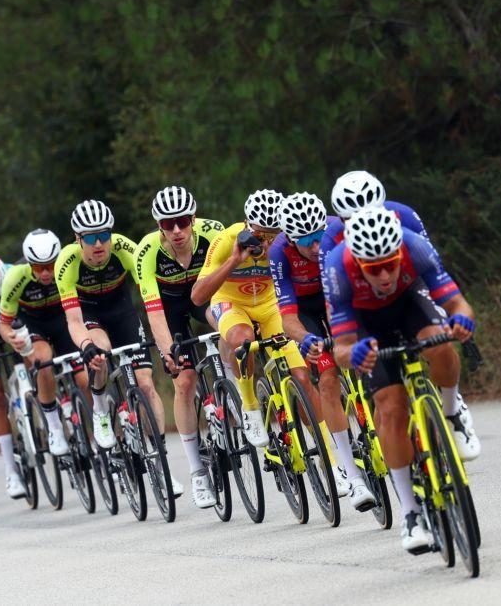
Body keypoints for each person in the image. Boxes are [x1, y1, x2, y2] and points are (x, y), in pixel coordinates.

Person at [324, 207, 480, 553]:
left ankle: (452, 412)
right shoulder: (337, 268)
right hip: (366, 325)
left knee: (440, 344)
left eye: (390, 264)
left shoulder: (414, 247)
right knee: (392, 407)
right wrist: (356, 352)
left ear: (399, 253)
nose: (383, 275)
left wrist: (463, 322)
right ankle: (410, 513)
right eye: (373, 268)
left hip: (409, 304)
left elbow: (458, 304)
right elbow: (342, 349)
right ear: (359, 263)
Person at [56, 200, 184, 496]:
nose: (99, 243)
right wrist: (86, 345)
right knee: (99, 353)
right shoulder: (67, 262)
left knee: (146, 384)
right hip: (90, 317)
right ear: (78, 240)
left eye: (104, 235)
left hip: (122, 312)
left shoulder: (127, 249)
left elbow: (152, 301)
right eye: (90, 237)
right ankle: (101, 409)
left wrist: (165, 341)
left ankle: (161, 463)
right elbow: (73, 321)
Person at [271, 192, 375, 510]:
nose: (317, 247)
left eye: (320, 237)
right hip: (304, 310)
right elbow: (287, 318)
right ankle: (349, 471)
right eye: (308, 242)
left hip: (336, 297)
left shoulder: (336, 230)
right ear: (291, 239)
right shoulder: (279, 253)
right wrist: (304, 340)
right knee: (327, 378)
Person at [190, 189, 312, 448]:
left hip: (269, 305)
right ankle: (249, 406)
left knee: (301, 377)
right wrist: (234, 260)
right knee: (242, 340)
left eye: (274, 236)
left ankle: (330, 460)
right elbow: (198, 297)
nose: (267, 245)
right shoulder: (227, 239)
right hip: (232, 302)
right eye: (259, 236)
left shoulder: (287, 246)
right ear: (247, 228)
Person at [135, 186, 225, 508]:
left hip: (205, 298)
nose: (176, 230)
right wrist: (168, 351)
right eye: (168, 223)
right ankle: (198, 470)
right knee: (184, 382)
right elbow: (154, 312)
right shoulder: (146, 252)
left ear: (193, 219)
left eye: (183, 221)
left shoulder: (214, 233)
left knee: (227, 327)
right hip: (169, 310)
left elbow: (231, 288)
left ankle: (235, 393)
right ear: (159, 225)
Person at [0, 229, 87, 499]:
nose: (47, 273)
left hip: (62, 321)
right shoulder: (16, 276)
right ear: (28, 263)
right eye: (39, 267)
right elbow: (3, 322)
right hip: (32, 324)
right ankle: (55, 429)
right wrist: (11, 338)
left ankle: (107, 435)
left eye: (50, 265)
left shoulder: (69, 266)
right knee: (44, 361)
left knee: (85, 377)